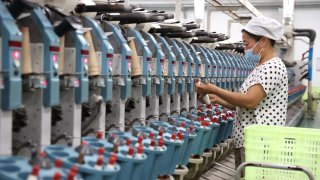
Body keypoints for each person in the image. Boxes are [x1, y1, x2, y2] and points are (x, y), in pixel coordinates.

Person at [195, 16, 288, 168]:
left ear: (263, 41)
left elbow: (249, 101)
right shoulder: (260, 67)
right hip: (249, 141)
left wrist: (215, 89)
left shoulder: (273, 67)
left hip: (261, 143)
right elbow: (244, 105)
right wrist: (217, 99)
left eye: (247, 44)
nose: (245, 49)